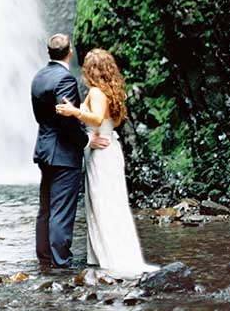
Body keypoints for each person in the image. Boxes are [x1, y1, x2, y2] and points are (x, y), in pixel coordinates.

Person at [55, 48, 158, 278]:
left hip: (101, 154)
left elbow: (97, 118)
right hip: (109, 146)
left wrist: (73, 111)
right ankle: (108, 255)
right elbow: (111, 122)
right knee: (113, 202)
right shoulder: (112, 91)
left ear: (91, 70)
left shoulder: (96, 92)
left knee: (104, 203)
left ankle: (111, 257)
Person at [30, 34, 109, 269]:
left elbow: (40, 116)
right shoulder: (65, 79)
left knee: (46, 207)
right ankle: (60, 260)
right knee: (62, 209)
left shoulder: (38, 77)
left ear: (48, 52)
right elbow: (67, 119)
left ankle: (44, 257)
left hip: (44, 149)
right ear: (70, 52)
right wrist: (85, 141)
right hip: (63, 152)